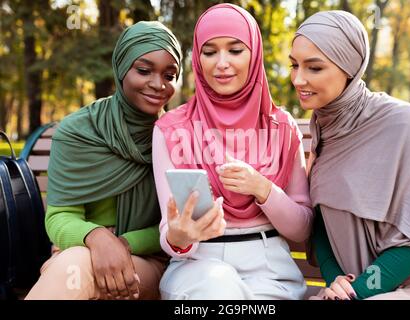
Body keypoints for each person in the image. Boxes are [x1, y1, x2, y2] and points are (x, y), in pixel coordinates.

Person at [153, 3, 313, 300]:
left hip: (269, 269)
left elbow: (301, 229)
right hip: (197, 266)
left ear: (254, 54)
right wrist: (180, 235)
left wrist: (262, 188)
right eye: (210, 51)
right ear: (198, 59)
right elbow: (169, 232)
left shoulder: (282, 127)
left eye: (235, 50)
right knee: (217, 288)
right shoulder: (170, 129)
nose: (221, 63)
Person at [289, 10, 410, 300]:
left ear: (349, 67)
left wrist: (359, 291)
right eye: (294, 65)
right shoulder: (324, 128)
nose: (298, 80)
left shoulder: (401, 123)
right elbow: (322, 225)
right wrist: (337, 281)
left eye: (314, 68)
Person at [25, 21, 182, 300]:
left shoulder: (174, 136)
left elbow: (172, 221)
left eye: (170, 75)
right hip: (77, 251)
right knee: (75, 264)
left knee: (74, 267)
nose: (158, 85)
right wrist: (96, 238)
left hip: (146, 262)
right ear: (122, 68)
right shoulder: (78, 132)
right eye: (144, 70)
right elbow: (61, 216)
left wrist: (120, 244)